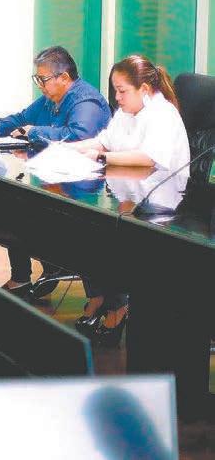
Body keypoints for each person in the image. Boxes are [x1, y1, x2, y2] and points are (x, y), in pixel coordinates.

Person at [67, 54, 190, 344]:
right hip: (127, 194)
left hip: (160, 203)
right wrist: (71, 148)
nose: (117, 98)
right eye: (115, 90)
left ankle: (117, 307)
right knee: (84, 226)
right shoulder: (126, 111)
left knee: (109, 238)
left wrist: (101, 157)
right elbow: (104, 141)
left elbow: (148, 159)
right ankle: (103, 298)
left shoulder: (162, 114)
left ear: (144, 89)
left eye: (122, 91)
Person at [0, 46, 111, 297]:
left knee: (20, 209)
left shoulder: (86, 101)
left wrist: (34, 131)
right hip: (54, 178)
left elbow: (78, 137)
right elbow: (21, 119)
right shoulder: (50, 98)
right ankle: (24, 276)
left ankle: (48, 265)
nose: (40, 85)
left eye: (43, 79)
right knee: (11, 201)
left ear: (64, 77)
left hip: (83, 190)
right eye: (37, 79)